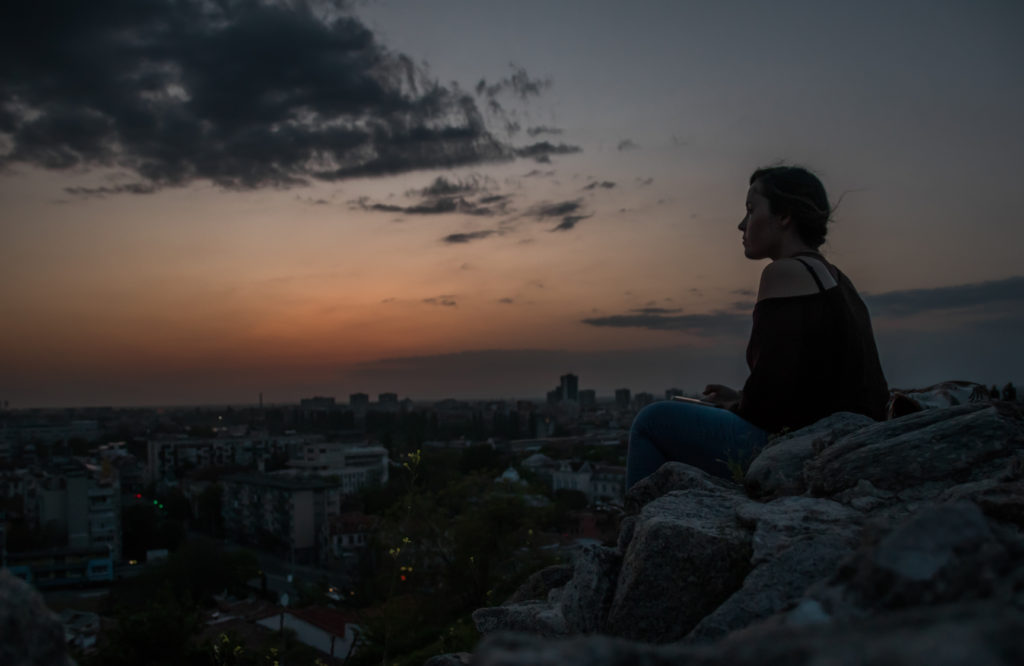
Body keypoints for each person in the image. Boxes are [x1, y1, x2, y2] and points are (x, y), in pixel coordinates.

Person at [626, 166, 889, 488]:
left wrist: (739, 405)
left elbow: (769, 404)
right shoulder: (833, 277)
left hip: (808, 447)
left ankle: (636, 527)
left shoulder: (785, 272)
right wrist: (739, 397)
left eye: (751, 211)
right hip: (845, 437)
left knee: (652, 421)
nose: (741, 224)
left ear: (784, 216)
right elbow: (809, 384)